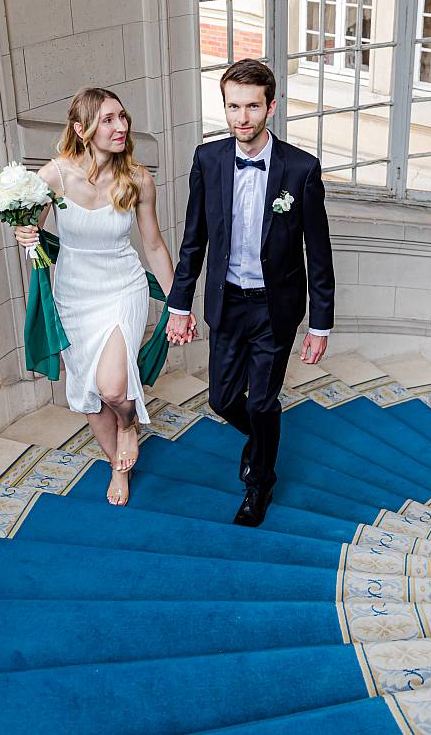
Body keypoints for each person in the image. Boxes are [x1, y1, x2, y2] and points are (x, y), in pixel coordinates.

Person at [166, 59, 335, 527]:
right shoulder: (209, 159)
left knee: (261, 401)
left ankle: (259, 483)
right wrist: (179, 304)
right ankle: (262, 441)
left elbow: (318, 254)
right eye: (233, 106)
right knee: (222, 399)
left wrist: (320, 325)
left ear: (271, 107)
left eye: (252, 107)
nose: (242, 117)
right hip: (227, 302)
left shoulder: (301, 170)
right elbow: (193, 238)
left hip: (273, 309)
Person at [15, 87, 174, 506]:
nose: (121, 126)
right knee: (89, 387)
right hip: (74, 294)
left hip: (122, 286)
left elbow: (154, 245)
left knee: (113, 389)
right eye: (108, 120)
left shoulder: (138, 178)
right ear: (81, 129)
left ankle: (127, 424)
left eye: (122, 117)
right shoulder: (54, 176)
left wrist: (179, 305)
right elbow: (31, 232)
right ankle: (116, 468)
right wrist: (24, 232)